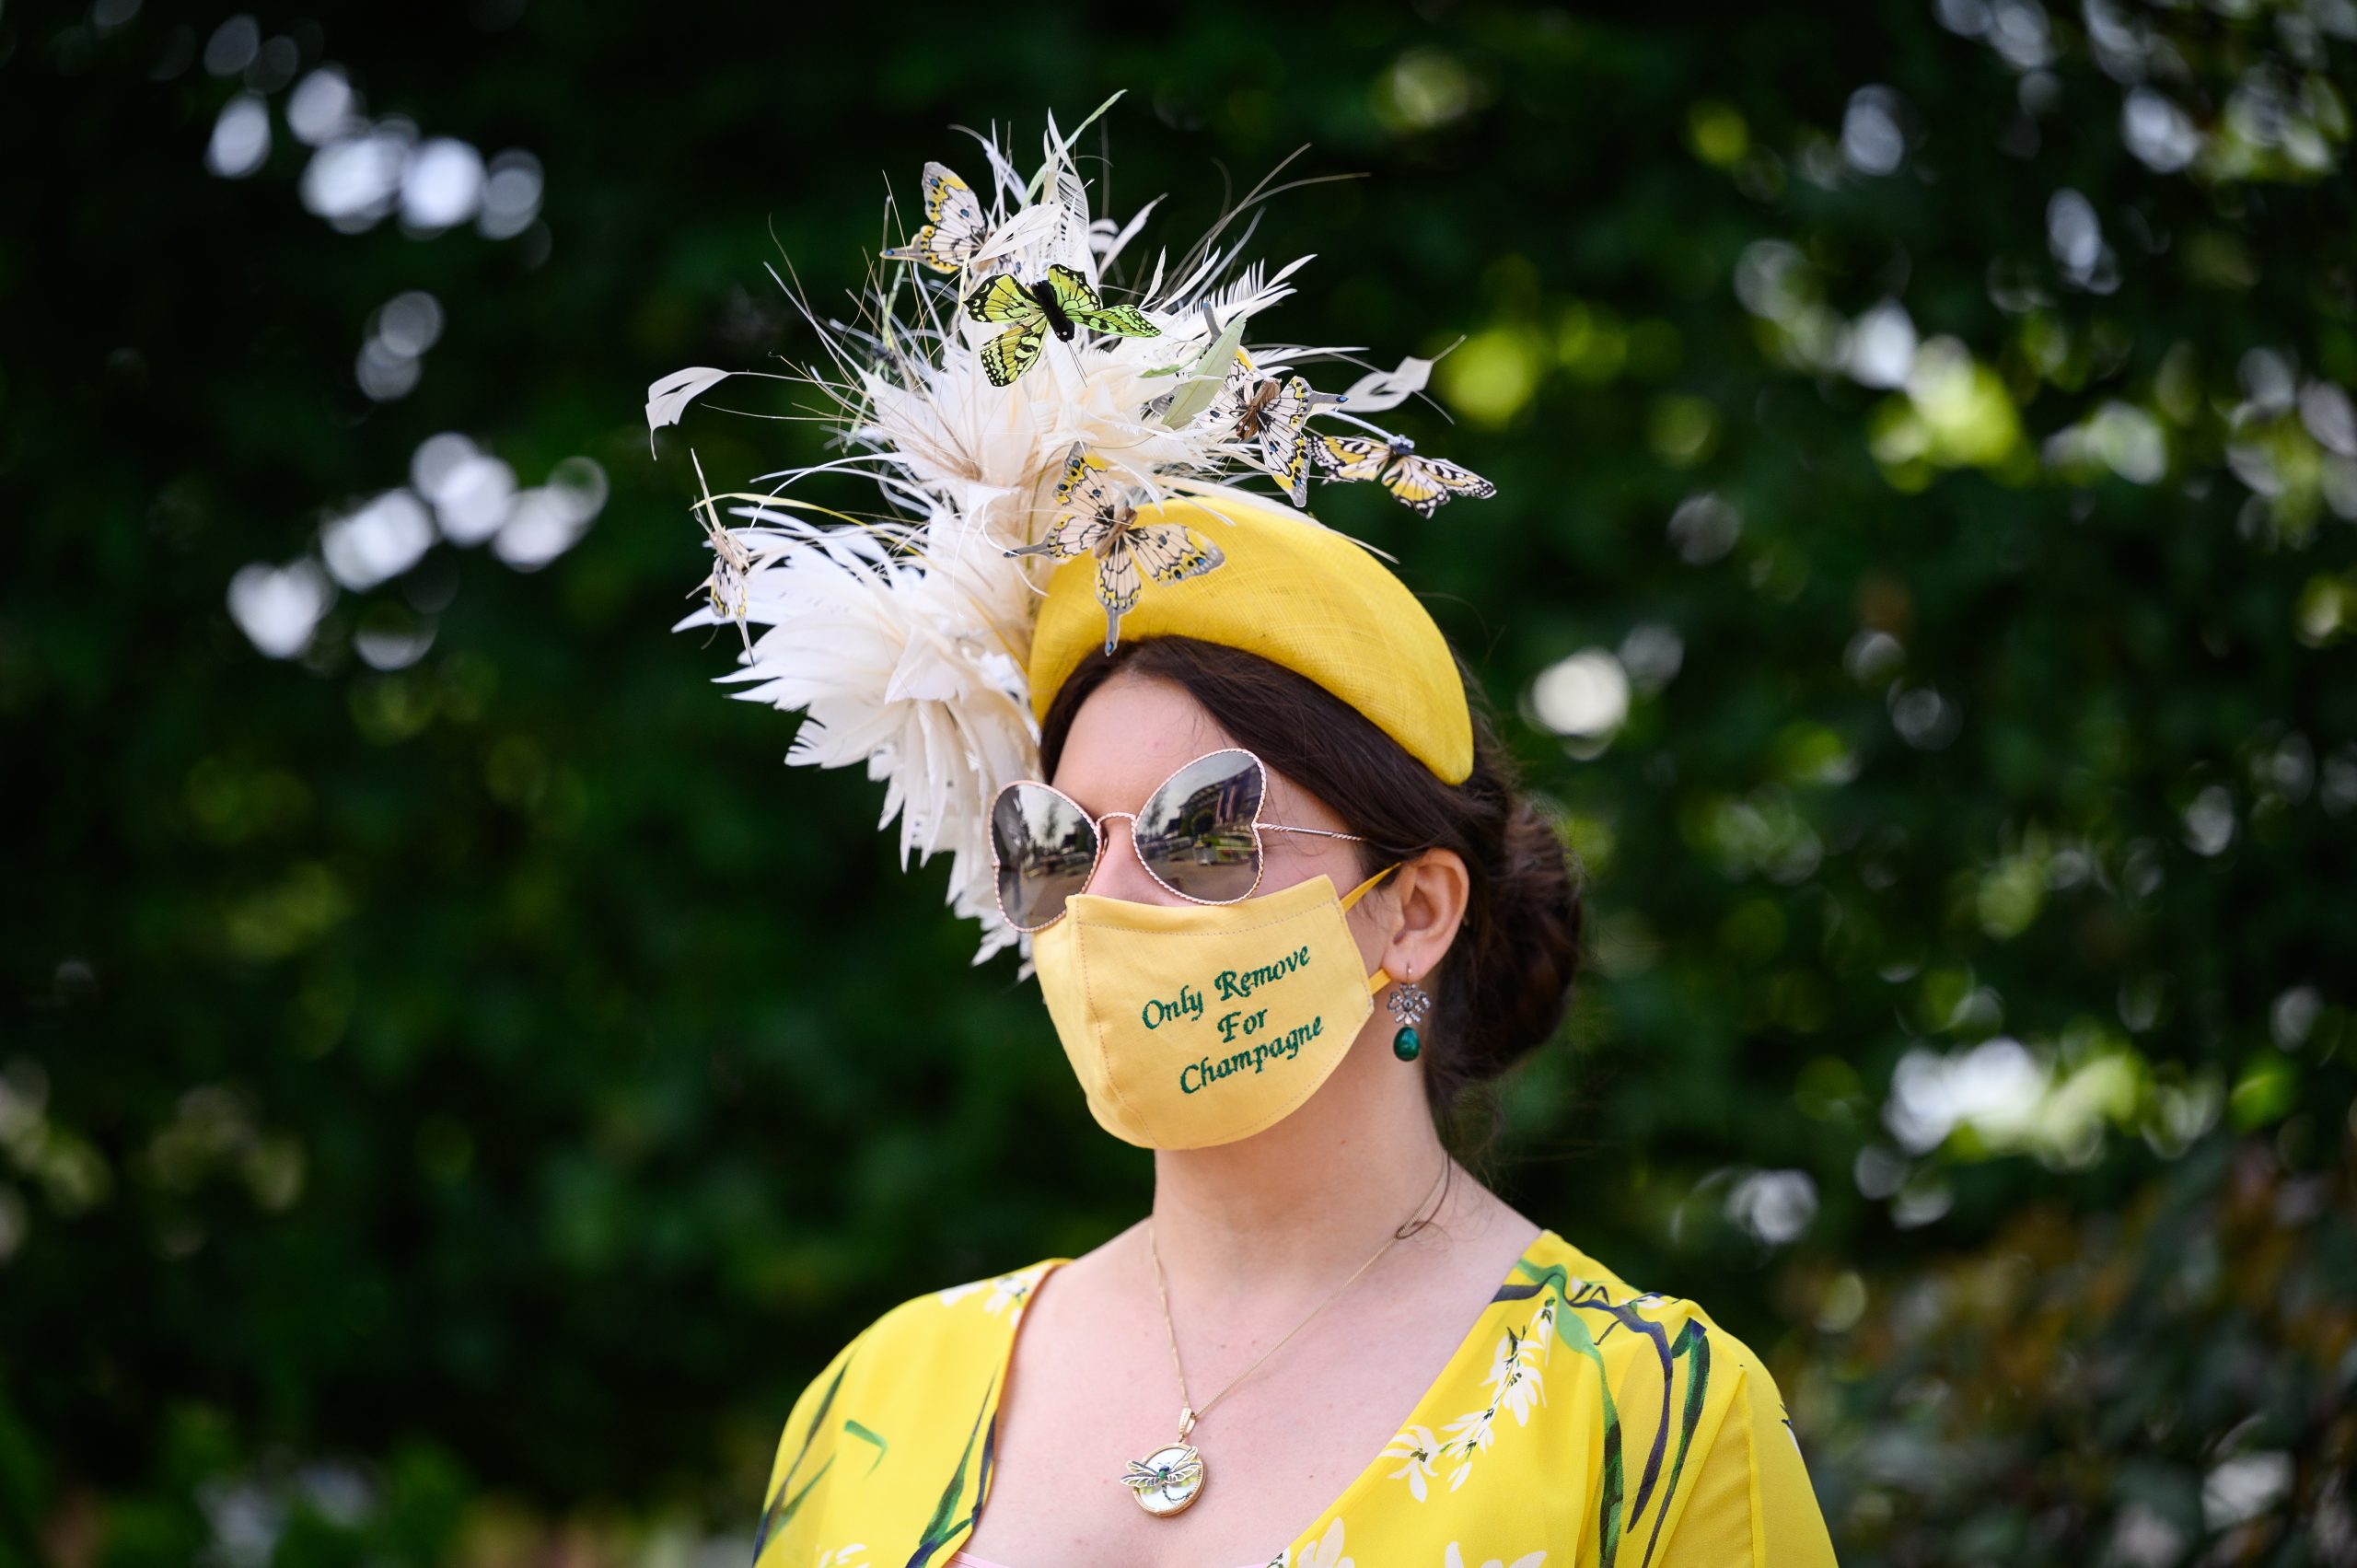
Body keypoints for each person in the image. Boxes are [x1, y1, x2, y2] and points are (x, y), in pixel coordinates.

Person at [662, 114, 1839, 1568]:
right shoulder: (878, 1399)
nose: (1104, 900)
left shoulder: (1651, 1423)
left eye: (1199, 828)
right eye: (1052, 842)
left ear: (1411, 912)